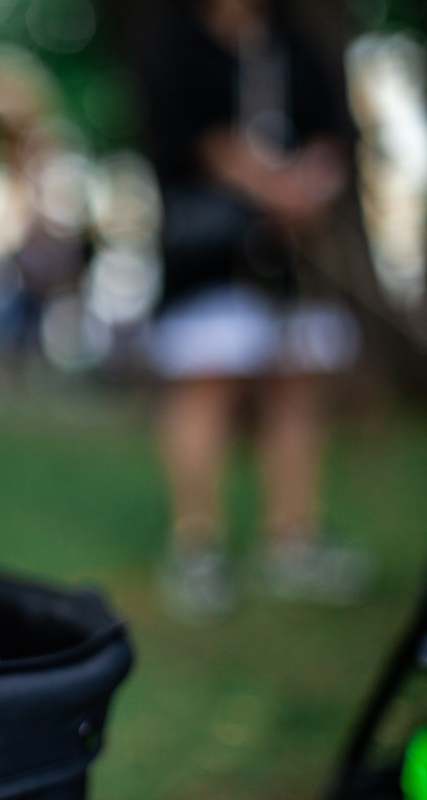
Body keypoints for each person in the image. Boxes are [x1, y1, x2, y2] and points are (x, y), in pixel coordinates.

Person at [145, 0, 371, 618]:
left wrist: (309, 187)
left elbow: (334, 132)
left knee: (293, 388)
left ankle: (291, 540)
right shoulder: (178, 42)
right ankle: (197, 546)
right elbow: (183, 137)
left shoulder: (292, 41)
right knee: (204, 390)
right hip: (208, 253)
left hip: (288, 258)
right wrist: (275, 187)